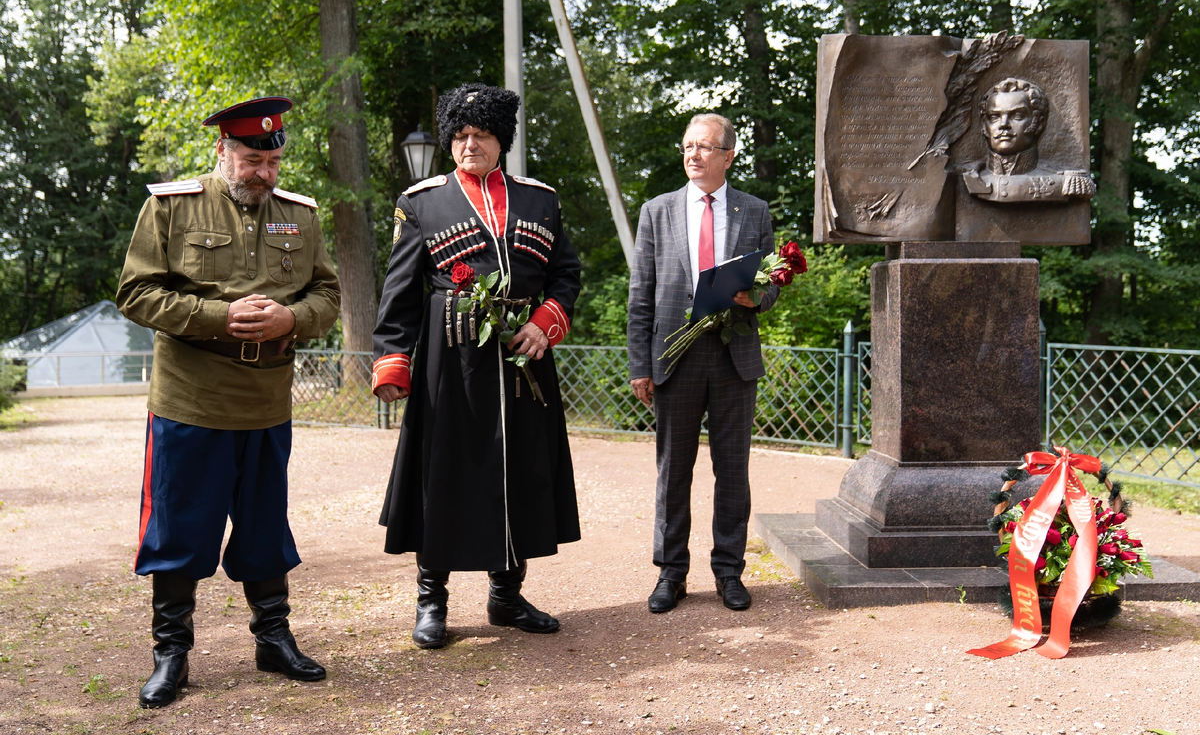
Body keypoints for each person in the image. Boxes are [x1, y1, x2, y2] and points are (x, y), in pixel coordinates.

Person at [116, 97, 341, 708]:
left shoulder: (300, 217)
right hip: (191, 399)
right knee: (179, 528)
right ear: (222, 151)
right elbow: (136, 293)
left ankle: (273, 638)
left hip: (268, 400)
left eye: (270, 161)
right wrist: (220, 317)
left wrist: (291, 317)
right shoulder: (172, 207)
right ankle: (171, 654)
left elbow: (328, 294)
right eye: (249, 159)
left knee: (266, 525)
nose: (261, 173)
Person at [372, 83, 582, 650]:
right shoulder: (422, 202)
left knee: (522, 472)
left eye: (481, 135)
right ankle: (431, 600)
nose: (470, 145)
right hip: (451, 361)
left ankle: (506, 595)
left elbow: (565, 275)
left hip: (525, 358)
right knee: (443, 475)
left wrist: (547, 322)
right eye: (461, 135)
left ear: (501, 140)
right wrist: (393, 358)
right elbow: (400, 291)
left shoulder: (541, 199)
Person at [626, 113, 779, 614]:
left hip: (735, 358)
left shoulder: (755, 212)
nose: (693, 155)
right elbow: (641, 294)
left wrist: (758, 298)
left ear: (729, 156)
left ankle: (729, 574)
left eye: (705, 147)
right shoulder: (657, 211)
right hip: (675, 358)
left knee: (732, 472)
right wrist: (639, 364)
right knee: (674, 472)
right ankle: (671, 574)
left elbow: (774, 279)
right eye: (688, 146)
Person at [960, 77, 1096, 202]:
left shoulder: (1065, 183)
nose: (1003, 125)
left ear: (1038, 123)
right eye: (994, 117)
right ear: (984, 126)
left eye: (1017, 116)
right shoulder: (968, 176)